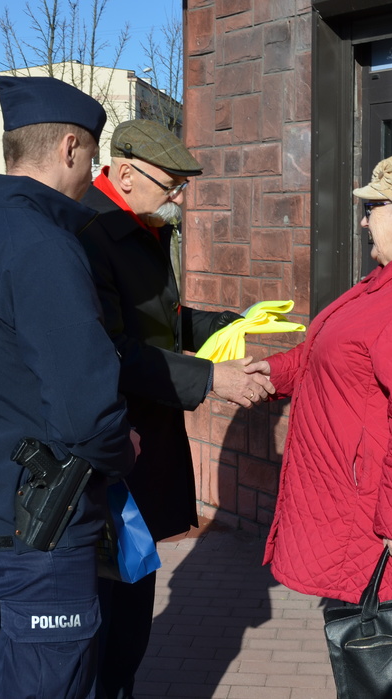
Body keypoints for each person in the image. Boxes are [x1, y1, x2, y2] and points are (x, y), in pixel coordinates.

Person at [0, 75, 135, 699]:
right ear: (69, 147)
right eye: (91, 156)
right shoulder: (43, 247)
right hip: (38, 532)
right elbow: (87, 413)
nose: (91, 174)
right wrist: (124, 448)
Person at [78, 118, 274, 699]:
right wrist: (212, 378)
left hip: (143, 443)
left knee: (131, 606)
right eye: (172, 185)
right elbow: (114, 349)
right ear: (127, 175)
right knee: (108, 613)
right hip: (112, 448)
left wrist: (229, 324)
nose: (180, 198)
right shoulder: (93, 233)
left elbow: (159, 320)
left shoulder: (141, 225)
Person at [252, 154, 392, 604]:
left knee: (387, 642)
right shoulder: (390, 282)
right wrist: (275, 373)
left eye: (372, 208)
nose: (363, 221)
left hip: (387, 526)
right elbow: (335, 354)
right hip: (362, 507)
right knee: (361, 640)